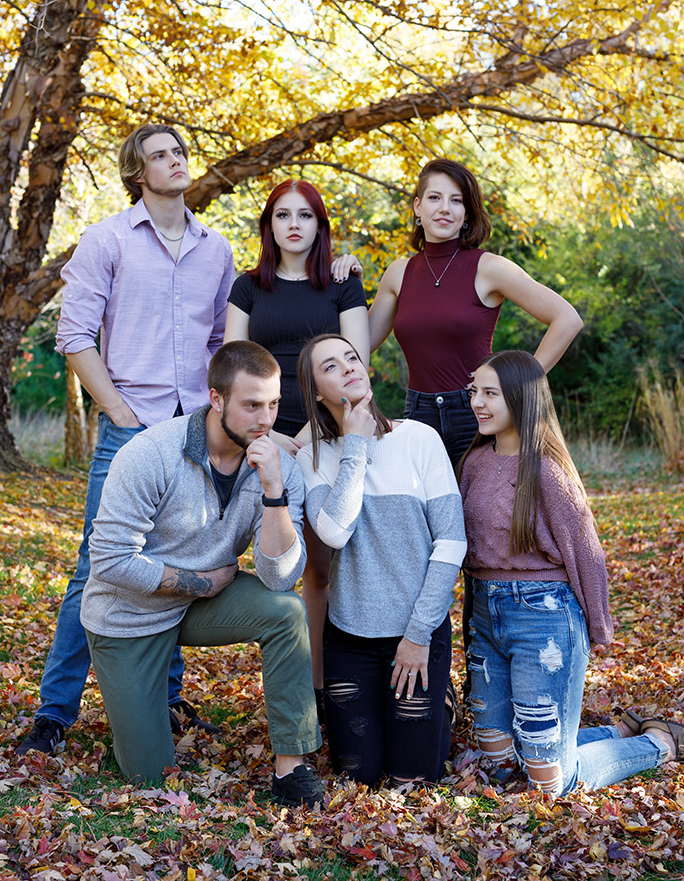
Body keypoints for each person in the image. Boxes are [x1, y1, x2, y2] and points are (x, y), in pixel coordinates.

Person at [15, 124, 235, 756]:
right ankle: (54, 714)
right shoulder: (105, 240)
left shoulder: (216, 249)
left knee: (176, 558)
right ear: (138, 173)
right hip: (129, 428)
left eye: (179, 152)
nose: (175, 161)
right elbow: (74, 335)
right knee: (99, 566)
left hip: (195, 428)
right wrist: (119, 411)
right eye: (160, 155)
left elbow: (220, 340)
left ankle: (165, 700)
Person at [365, 158, 584, 698]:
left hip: (477, 418)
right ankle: (429, 685)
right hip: (417, 421)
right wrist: (342, 279)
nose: (445, 208)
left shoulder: (489, 268)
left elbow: (567, 318)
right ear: (416, 207)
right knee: (421, 550)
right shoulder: (398, 273)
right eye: (434, 197)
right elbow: (355, 347)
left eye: (456, 200)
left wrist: (515, 389)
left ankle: (483, 683)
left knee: (478, 549)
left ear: (468, 213)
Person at [80, 340, 325, 805]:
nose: (266, 420)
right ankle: (146, 720)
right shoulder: (151, 453)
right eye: (252, 405)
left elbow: (279, 578)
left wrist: (274, 491)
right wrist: (203, 582)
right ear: (216, 398)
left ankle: (291, 768)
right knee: (151, 777)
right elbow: (109, 560)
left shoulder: (277, 466)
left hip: (201, 607)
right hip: (129, 616)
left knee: (286, 611)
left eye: (273, 404)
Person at [458, 350, 683, 796]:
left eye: (490, 393)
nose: (477, 403)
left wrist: (597, 626)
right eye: (474, 392)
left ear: (521, 399)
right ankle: (614, 732)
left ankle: (657, 743)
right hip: (484, 613)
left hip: (543, 620)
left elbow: (586, 552)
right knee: (498, 764)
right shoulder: (474, 463)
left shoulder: (547, 470)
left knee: (549, 783)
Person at [295, 334, 467, 787]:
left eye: (352, 357)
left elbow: (451, 542)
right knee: (360, 778)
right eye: (330, 366)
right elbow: (334, 532)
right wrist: (354, 446)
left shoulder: (419, 438)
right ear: (316, 392)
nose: (349, 367)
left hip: (417, 632)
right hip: (350, 637)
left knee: (412, 779)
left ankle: (441, 700)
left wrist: (418, 634)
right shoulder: (314, 458)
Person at [224, 180, 369, 703]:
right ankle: (294, 689)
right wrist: (269, 435)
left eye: (305, 215)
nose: (294, 225)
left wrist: (306, 437)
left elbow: (357, 371)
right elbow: (232, 368)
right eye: (283, 215)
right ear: (269, 226)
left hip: (325, 437)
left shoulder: (343, 285)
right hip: (261, 438)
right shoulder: (247, 287)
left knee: (322, 570)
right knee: (278, 563)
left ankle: (323, 688)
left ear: (319, 226)